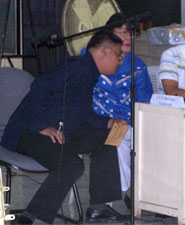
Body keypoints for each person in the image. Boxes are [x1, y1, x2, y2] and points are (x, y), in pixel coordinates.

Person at [1, 30, 127, 225]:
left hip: (60, 130)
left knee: (108, 136)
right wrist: (42, 126)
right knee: (72, 164)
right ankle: (30, 218)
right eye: (118, 56)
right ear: (105, 52)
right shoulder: (78, 68)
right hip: (27, 132)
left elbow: (82, 114)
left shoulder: (88, 72)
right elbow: (39, 87)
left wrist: (108, 122)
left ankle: (99, 207)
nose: (120, 61)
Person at [92, 13, 153, 208]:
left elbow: (145, 101)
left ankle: (156, 196)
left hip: (133, 122)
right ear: (109, 36)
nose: (128, 38)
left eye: (131, 33)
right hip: (101, 123)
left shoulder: (138, 66)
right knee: (117, 139)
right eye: (123, 33)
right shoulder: (93, 61)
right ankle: (128, 192)